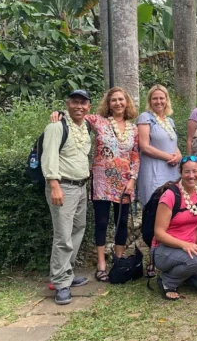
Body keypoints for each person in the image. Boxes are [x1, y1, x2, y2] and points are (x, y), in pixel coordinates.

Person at [49, 87, 140, 283]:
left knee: (121, 222)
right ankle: (101, 264)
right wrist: (59, 113)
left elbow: (135, 156)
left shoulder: (134, 129)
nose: (117, 103)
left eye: (121, 100)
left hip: (125, 182)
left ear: (127, 103)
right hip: (101, 181)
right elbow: (77, 114)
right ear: (108, 104)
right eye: (113, 100)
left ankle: (118, 259)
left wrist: (133, 179)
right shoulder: (98, 121)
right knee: (101, 222)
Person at [42, 90, 93, 305]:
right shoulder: (56, 127)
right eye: (74, 102)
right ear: (67, 104)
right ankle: (60, 283)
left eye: (83, 103)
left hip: (81, 187)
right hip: (63, 186)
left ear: (89, 106)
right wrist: (54, 185)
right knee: (63, 235)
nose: (78, 106)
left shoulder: (86, 126)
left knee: (77, 230)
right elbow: (49, 156)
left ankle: (66, 274)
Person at [152, 156, 197, 300]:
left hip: (191, 252)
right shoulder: (170, 195)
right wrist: (185, 245)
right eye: (187, 172)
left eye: (194, 171)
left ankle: (185, 274)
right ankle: (167, 281)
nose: (191, 176)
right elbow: (159, 233)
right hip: (163, 250)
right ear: (180, 172)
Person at [137, 85, 183, 206]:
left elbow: (173, 143)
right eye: (155, 98)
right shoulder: (145, 117)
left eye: (162, 98)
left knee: (172, 205)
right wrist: (168, 157)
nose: (159, 101)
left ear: (167, 100)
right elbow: (144, 146)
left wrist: (179, 156)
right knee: (155, 204)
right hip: (154, 170)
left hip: (172, 170)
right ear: (149, 101)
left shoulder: (169, 121)